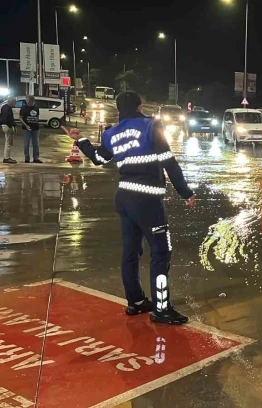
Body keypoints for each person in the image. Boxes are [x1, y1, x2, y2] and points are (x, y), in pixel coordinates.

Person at [62, 90, 196, 325]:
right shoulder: (150, 126)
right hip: (148, 199)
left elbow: (99, 159)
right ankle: (162, 309)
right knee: (161, 252)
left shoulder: (112, 133)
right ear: (140, 106)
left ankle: (135, 301)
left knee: (131, 251)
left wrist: (80, 140)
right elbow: (168, 161)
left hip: (124, 197)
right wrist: (186, 192)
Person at [19, 96, 42, 163]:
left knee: (36, 144)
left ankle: (36, 158)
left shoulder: (36, 108)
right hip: (26, 129)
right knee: (26, 144)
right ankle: (27, 158)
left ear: (32, 101)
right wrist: (26, 125)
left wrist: (37, 123)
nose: (27, 102)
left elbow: (37, 117)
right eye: (27, 100)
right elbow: (20, 118)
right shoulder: (23, 108)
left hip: (35, 128)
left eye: (29, 100)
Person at [1, 97, 17, 164]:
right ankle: (6, 158)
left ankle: (7, 157)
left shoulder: (5, 107)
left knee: (8, 142)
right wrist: (11, 125)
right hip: (7, 126)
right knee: (8, 143)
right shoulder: (7, 108)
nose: (15, 104)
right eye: (14, 102)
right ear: (10, 102)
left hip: (6, 125)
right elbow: (6, 118)